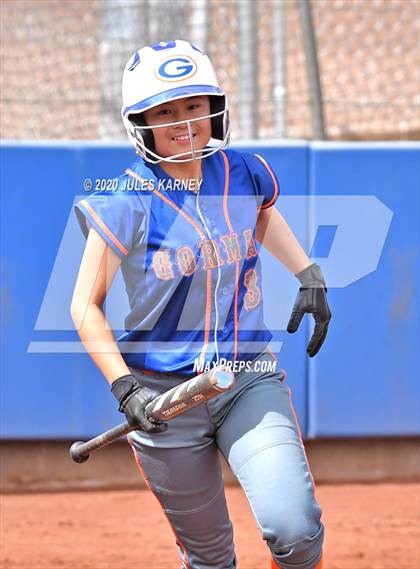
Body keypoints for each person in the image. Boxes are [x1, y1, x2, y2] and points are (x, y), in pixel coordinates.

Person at [71, 40, 331, 569]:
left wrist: (307, 272)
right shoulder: (125, 200)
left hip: (245, 375)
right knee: (210, 559)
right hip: (166, 402)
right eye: (164, 110)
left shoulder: (245, 171)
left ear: (216, 109)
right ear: (139, 122)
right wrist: (125, 388)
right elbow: (84, 307)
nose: (184, 121)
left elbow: (261, 213)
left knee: (296, 531)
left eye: (195, 105)